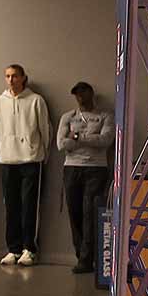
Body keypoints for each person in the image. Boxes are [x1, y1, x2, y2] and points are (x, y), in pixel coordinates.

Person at [0, 63, 51, 265]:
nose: (11, 80)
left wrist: (41, 153)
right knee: (11, 207)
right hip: (8, 161)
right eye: (7, 76)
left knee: (29, 207)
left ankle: (29, 249)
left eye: (15, 76)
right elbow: (0, 129)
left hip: (31, 160)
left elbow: (45, 130)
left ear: (23, 77)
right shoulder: (0, 102)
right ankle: (13, 249)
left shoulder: (36, 100)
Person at [58, 80, 114, 274]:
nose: (80, 97)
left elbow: (105, 140)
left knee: (90, 212)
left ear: (91, 93)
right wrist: (87, 139)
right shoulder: (68, 116)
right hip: (71, 168)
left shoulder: (104, 116)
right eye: (77, 94)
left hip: (96, 168)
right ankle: (80, 254)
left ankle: (87, 258)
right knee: (74, 212)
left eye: (83, 92)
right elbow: (61, 144)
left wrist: (77, 137)